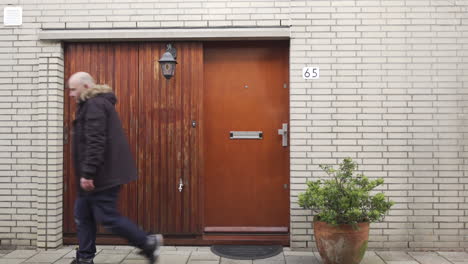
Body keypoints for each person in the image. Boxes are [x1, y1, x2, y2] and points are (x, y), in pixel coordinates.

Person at [68, 72, 163, 264]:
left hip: (100, 176)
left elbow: (95, 141)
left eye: (73, 89)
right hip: (96, 176)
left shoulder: (94, 105)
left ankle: (147, 241)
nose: (70, 94)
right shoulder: (92, 104)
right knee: (83, 216)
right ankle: (84, 258)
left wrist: (88, 173)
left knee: (107, 217)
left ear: (86, 87)